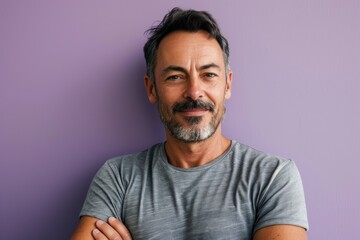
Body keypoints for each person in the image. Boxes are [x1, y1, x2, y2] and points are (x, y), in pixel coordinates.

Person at [71, 7, 308, 240]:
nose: (194, 92)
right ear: (152, 88)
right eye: (175, 77)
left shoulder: (273, 177)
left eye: (209, 75)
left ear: (227, 84)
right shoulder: (117, 177)